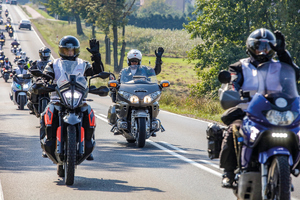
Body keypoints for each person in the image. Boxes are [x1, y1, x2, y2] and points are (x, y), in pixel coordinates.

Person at [219, 28, 299, 188]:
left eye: (266, 47)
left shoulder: (280, 65)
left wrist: (284, 53)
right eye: (258, 46)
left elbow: (295, 75)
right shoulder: (240, 66)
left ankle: (290, 167)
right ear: (250, 47)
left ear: (272, 48)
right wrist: (235, 93)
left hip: (275, 111)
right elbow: (232, 84)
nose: (262, 51)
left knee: (296, 131)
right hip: (247, 110)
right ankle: (228, 172)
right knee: (234, 128)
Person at [39, 36, 104, 160]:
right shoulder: (54, 64)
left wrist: (96, 56)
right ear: (61, 50)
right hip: (57, 98)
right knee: (45, 115)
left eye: (71, 50)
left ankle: (88, 143)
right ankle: (46, 144)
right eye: (66, 50)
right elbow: (46, 76)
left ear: (76, 51)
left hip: (79, 98)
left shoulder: (83, 64)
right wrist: (42, 81)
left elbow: (97, 71)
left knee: (89, 113)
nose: (69, 53)